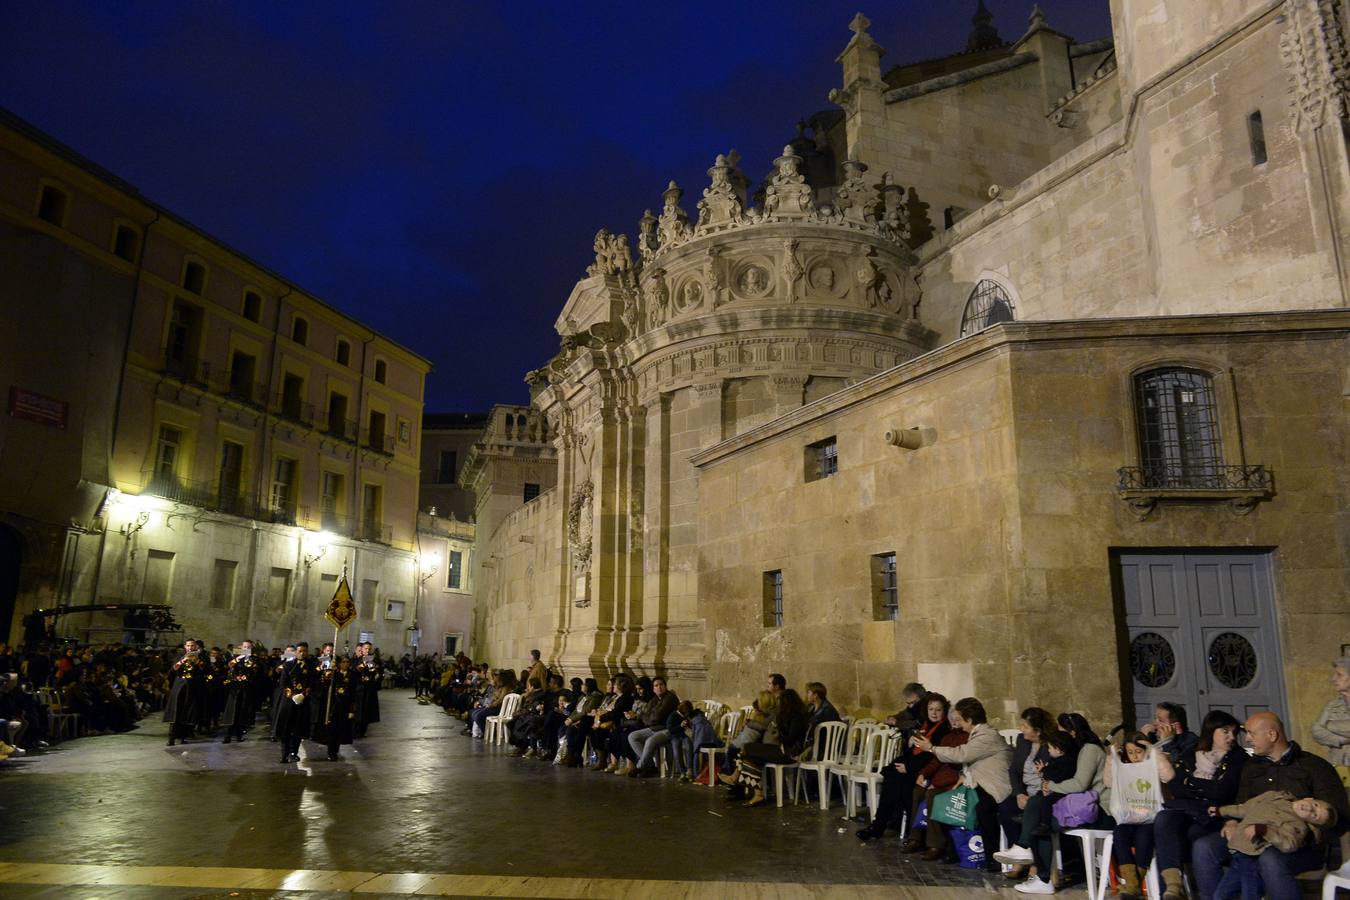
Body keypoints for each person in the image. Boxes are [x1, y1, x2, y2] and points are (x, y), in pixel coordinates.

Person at [1191, 711, 1350, 900]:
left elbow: (1339, 817)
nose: (1247, 739)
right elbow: (1240, 802)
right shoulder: (1252, 767)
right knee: (1204, 847)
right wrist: (1232, 822)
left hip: (1296, 843)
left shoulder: (1314, 766)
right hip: (1250, 835)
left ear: (1272, 735)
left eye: (1251, 733)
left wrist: (1307, 830)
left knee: (1271, 858)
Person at [1150, 710, 1248, 900]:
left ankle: (1186, 892)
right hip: (1186, 810)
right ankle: (1173, 884)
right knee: (1164, 818)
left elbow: (1222, 791)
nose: (1231, 737)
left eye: (1234, 732)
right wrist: (1200, 788)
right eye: (1225, 731)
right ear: (1211, 731)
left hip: (1213, 815)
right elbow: (1176, 786)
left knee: (1187, 836)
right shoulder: (1192, 753)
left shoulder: (1238, 758)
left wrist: (1190, 783)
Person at [915, 696, 1010, 874]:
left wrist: (931, 748)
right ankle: (955, 849)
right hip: (978, 784)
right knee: (947, 802)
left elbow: (962, 754)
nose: (957, 722)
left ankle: (992, 856)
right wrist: (962, 776)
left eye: (960, 718)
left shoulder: (986, 736)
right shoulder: (978, 734)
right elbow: (971, 763)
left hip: (994, 787)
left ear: (970, 720)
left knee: (981, 808)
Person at [1018, 720, 1113, 895]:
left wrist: (1050, 786)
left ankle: (1042, 876)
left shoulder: (1089, 750)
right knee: (1037, 805)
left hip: (1098, 810)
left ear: (1073, 733)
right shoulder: (1080, 751)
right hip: (1084, 806)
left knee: (1043, 823)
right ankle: (1027, 853)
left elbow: (1079, 784)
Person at [858, 692, 951, 841]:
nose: (934, 713)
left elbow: (933, 756)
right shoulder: (925, 725)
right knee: (893, 779)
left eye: (938, 710)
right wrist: (910, 745)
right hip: (915, 765)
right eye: (931, 709)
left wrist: (908, 767)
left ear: (944, 711)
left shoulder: (944, 729)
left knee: (898, 781)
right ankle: (884, 825)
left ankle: (886, 827)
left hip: (928, 770)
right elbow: (915, 751)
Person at [1212, 792, 1336, 900]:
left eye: (1314, 816)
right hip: (1237, 853)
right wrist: (1222, 811)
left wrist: (1266, 831)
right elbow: (1244, 809)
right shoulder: (1276, 796)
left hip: (1252, 856)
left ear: (1311, 824)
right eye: (1315, 805)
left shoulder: (1298, 826)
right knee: (1220, 895)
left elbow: (1289, 844)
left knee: (1249, 895)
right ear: (1309, 799)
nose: (1310, 810)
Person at [722, 687, 810, 807]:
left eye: (780, 701)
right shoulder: (787, 715)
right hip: (782, 749)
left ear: (787, 702)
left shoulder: (797, 718)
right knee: (751, 756)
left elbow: (790, 739)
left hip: (789, 753)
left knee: (748, 748)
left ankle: (736, 778)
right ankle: (757, 792)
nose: (778, 704)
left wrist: (777, 732)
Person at [1108, 732, 1159, 900]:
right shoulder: (1124, 769)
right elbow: (1108, 782)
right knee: (1120, 833)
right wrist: (1112, 757)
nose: (1135, 757)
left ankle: (1132, 886)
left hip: (1150, 819)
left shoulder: (1154, 764)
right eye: (1130, 752)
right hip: (1128, 818)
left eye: (1138, 751)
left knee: (1144, 836)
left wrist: (1153, 751)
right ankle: (1132, 883)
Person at [626, 675, 680, 776]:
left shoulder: (670, 698)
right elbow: (644, 716)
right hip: (654, 728)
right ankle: (650, 766)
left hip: (667, 729)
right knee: (632, 736)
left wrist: (649, 718)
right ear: (653, 689)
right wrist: (650, 718)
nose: (659, 687)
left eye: (661, 684)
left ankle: (640, 766)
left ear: (665, 686)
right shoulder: (655, 700)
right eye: (656, 685)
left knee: (650, 740)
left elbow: (658, 716)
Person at [274, 642, 318, 763]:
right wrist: (292, 695)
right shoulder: (288, 665)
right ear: (296, 652)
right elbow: (283, 682)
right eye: (300, 651)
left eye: (304, 651)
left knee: (298, 728)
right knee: (286, 728)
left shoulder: (312, 666)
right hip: (288, 701)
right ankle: (284, 753)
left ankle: (294, 752)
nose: (302, 653)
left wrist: (304, 694)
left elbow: (313, 683)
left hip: (303, 701)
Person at [163, 639, 205, 746]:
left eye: (192, 646)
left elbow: (204, 670)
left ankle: (183, 737)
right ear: (185, 646)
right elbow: (173, 669)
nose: (190, 647)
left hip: (191, 686)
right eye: (188, 645)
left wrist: (198, 662)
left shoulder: (200, 657)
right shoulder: (179, 656)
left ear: (195, 647)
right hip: (179, 685)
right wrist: (183, 660)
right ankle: (171, 738)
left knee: (187, 711)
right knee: (176, 710)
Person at [315, 654, 357, 761]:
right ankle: (331, 751)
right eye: (343, 662)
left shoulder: (352, 675)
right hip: (333, 706)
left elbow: (353, 692)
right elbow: (325, 685)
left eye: (347, 662)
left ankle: (336, 749)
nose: (346, 664)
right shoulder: (334, 674)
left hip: (345, 706)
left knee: (341, 729)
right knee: (332, 729)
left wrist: (352, 708)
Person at [221, 640, 264, 743]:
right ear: (241, 647)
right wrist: (238, 658)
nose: (246, 649)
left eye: (248, 647)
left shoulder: (255, 659)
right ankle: (227, 735)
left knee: (242, 711)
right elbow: (228, 666)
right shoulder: (235, 658)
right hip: (234, 688)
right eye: (245, 647)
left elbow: (259, 672)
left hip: (247, 689)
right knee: (231, 711)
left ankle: (239, 735)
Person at [1311, 657, 1350, 767]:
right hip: (1340, 766)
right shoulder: (1332, 706)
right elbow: (1317, 731)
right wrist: (1342, 740)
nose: (1333, 679)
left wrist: (1330, 725)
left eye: (1339, 675)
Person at [1141, 701, 1198, 767]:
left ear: (1176, 726)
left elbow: (1178, 763)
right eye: (1155, 718)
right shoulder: (1152, 737)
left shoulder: (1191, 740)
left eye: (1161, 720)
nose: (1154, 723)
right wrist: (1143, 739)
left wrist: (1167, 742)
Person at [352, 641, 382, 738]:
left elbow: (379, 674)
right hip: (360, 689)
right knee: (359, 709)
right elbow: (353, 672)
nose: (367, 651)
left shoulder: (375, 660)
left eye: (369, 649)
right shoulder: (357, 660)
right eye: (366, 649)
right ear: (362, 649)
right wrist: (360, 667)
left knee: (367, 710)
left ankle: (364, 729)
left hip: (370, 689)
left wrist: (375, 671)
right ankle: (356, 729)